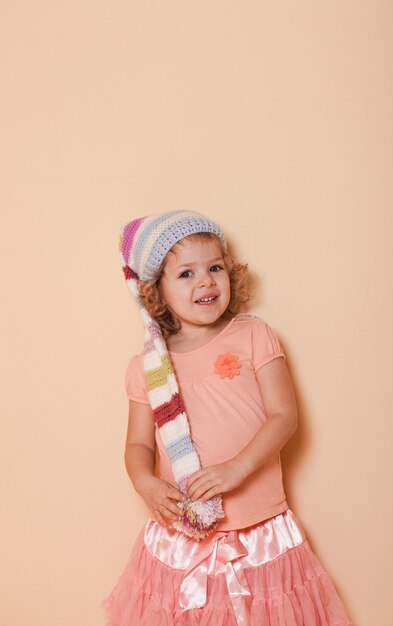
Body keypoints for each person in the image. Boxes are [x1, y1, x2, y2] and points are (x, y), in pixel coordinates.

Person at [101, 210, 353, 625]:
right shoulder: (147, 367)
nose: (205, 281)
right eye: (186, 274)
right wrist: (144, 483)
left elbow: (284, 416)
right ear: (157, 292)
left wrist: (239, 468)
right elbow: (138, 444)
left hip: (262, 532)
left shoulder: (253, 335)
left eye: (215, 267)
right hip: (181, 539)